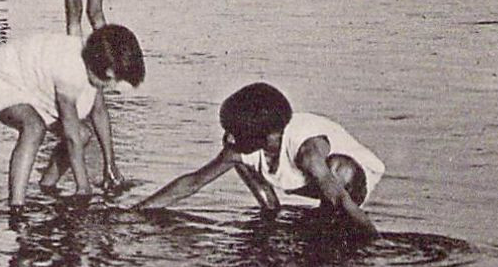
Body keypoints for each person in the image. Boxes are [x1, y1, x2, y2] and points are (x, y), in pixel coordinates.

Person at [136, 82, 384, 236]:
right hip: (306, 182)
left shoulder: (307, 150)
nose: (229, 138)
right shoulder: (243, 146)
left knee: (338, 173)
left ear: (266, 135)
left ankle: (328, 223)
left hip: (352, 181)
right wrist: (138, 211)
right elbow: (192, 182)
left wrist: (375, 243)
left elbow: (340, 197)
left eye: (235, 132)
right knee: (238, 158)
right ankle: (277, 214)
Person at [0, 25, 144, 207]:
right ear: (106, 72)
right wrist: (83, 187)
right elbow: (71, 138)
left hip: (33, 87)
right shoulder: (69, 71)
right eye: (113, 80)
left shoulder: (95, 60)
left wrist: (110, 165)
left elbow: (100, 112)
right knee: (34, 128)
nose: (113, 86)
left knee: (84, 134)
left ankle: (47, 186)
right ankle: (16, 206)